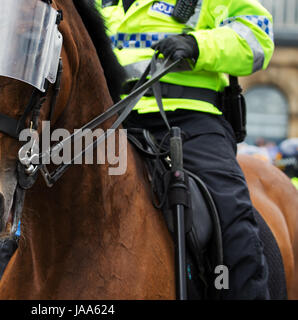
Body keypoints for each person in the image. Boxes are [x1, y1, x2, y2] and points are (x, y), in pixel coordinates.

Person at [98, 0, 274, 299]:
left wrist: (197, 44)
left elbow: (257, 37)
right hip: (107, 121)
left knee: (228, 210)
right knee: (37, 203)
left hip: (190, 118)